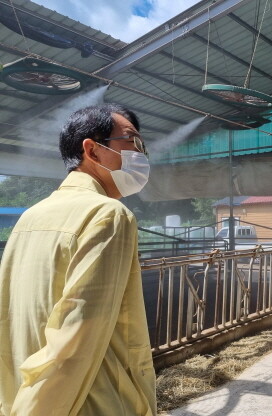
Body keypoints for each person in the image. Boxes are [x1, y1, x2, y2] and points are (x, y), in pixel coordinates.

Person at [0, 104, 156, 415]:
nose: (142, 154)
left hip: (22, 391)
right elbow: (76, 339)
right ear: (93, 150)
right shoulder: (107, 214)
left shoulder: (31, 216)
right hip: (88, 399)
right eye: (132, 141)